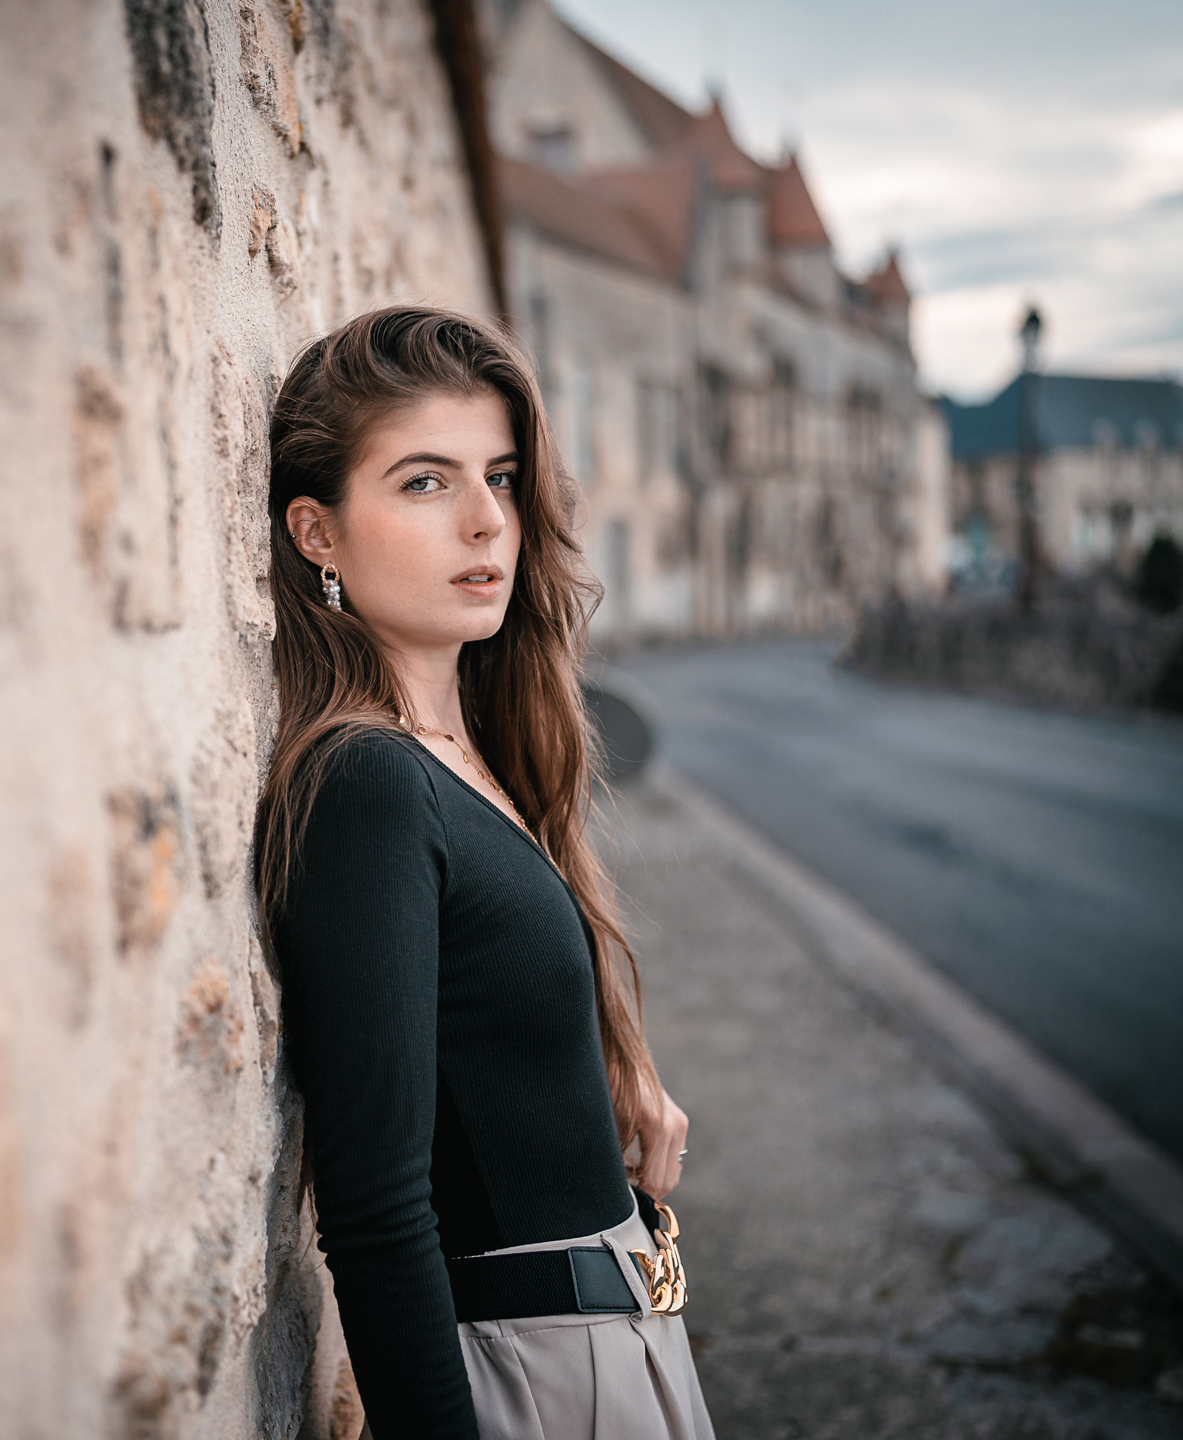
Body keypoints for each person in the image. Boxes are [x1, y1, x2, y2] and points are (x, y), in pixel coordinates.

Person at [256, 307, 713, 1440]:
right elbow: (372, 1211)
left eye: (501, 478)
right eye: (423, 483)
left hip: (628, 1333)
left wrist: (607, 1059)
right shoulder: (366, 783)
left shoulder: (475, 758)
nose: (484, 523)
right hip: (538, 1377)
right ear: (317, 532)